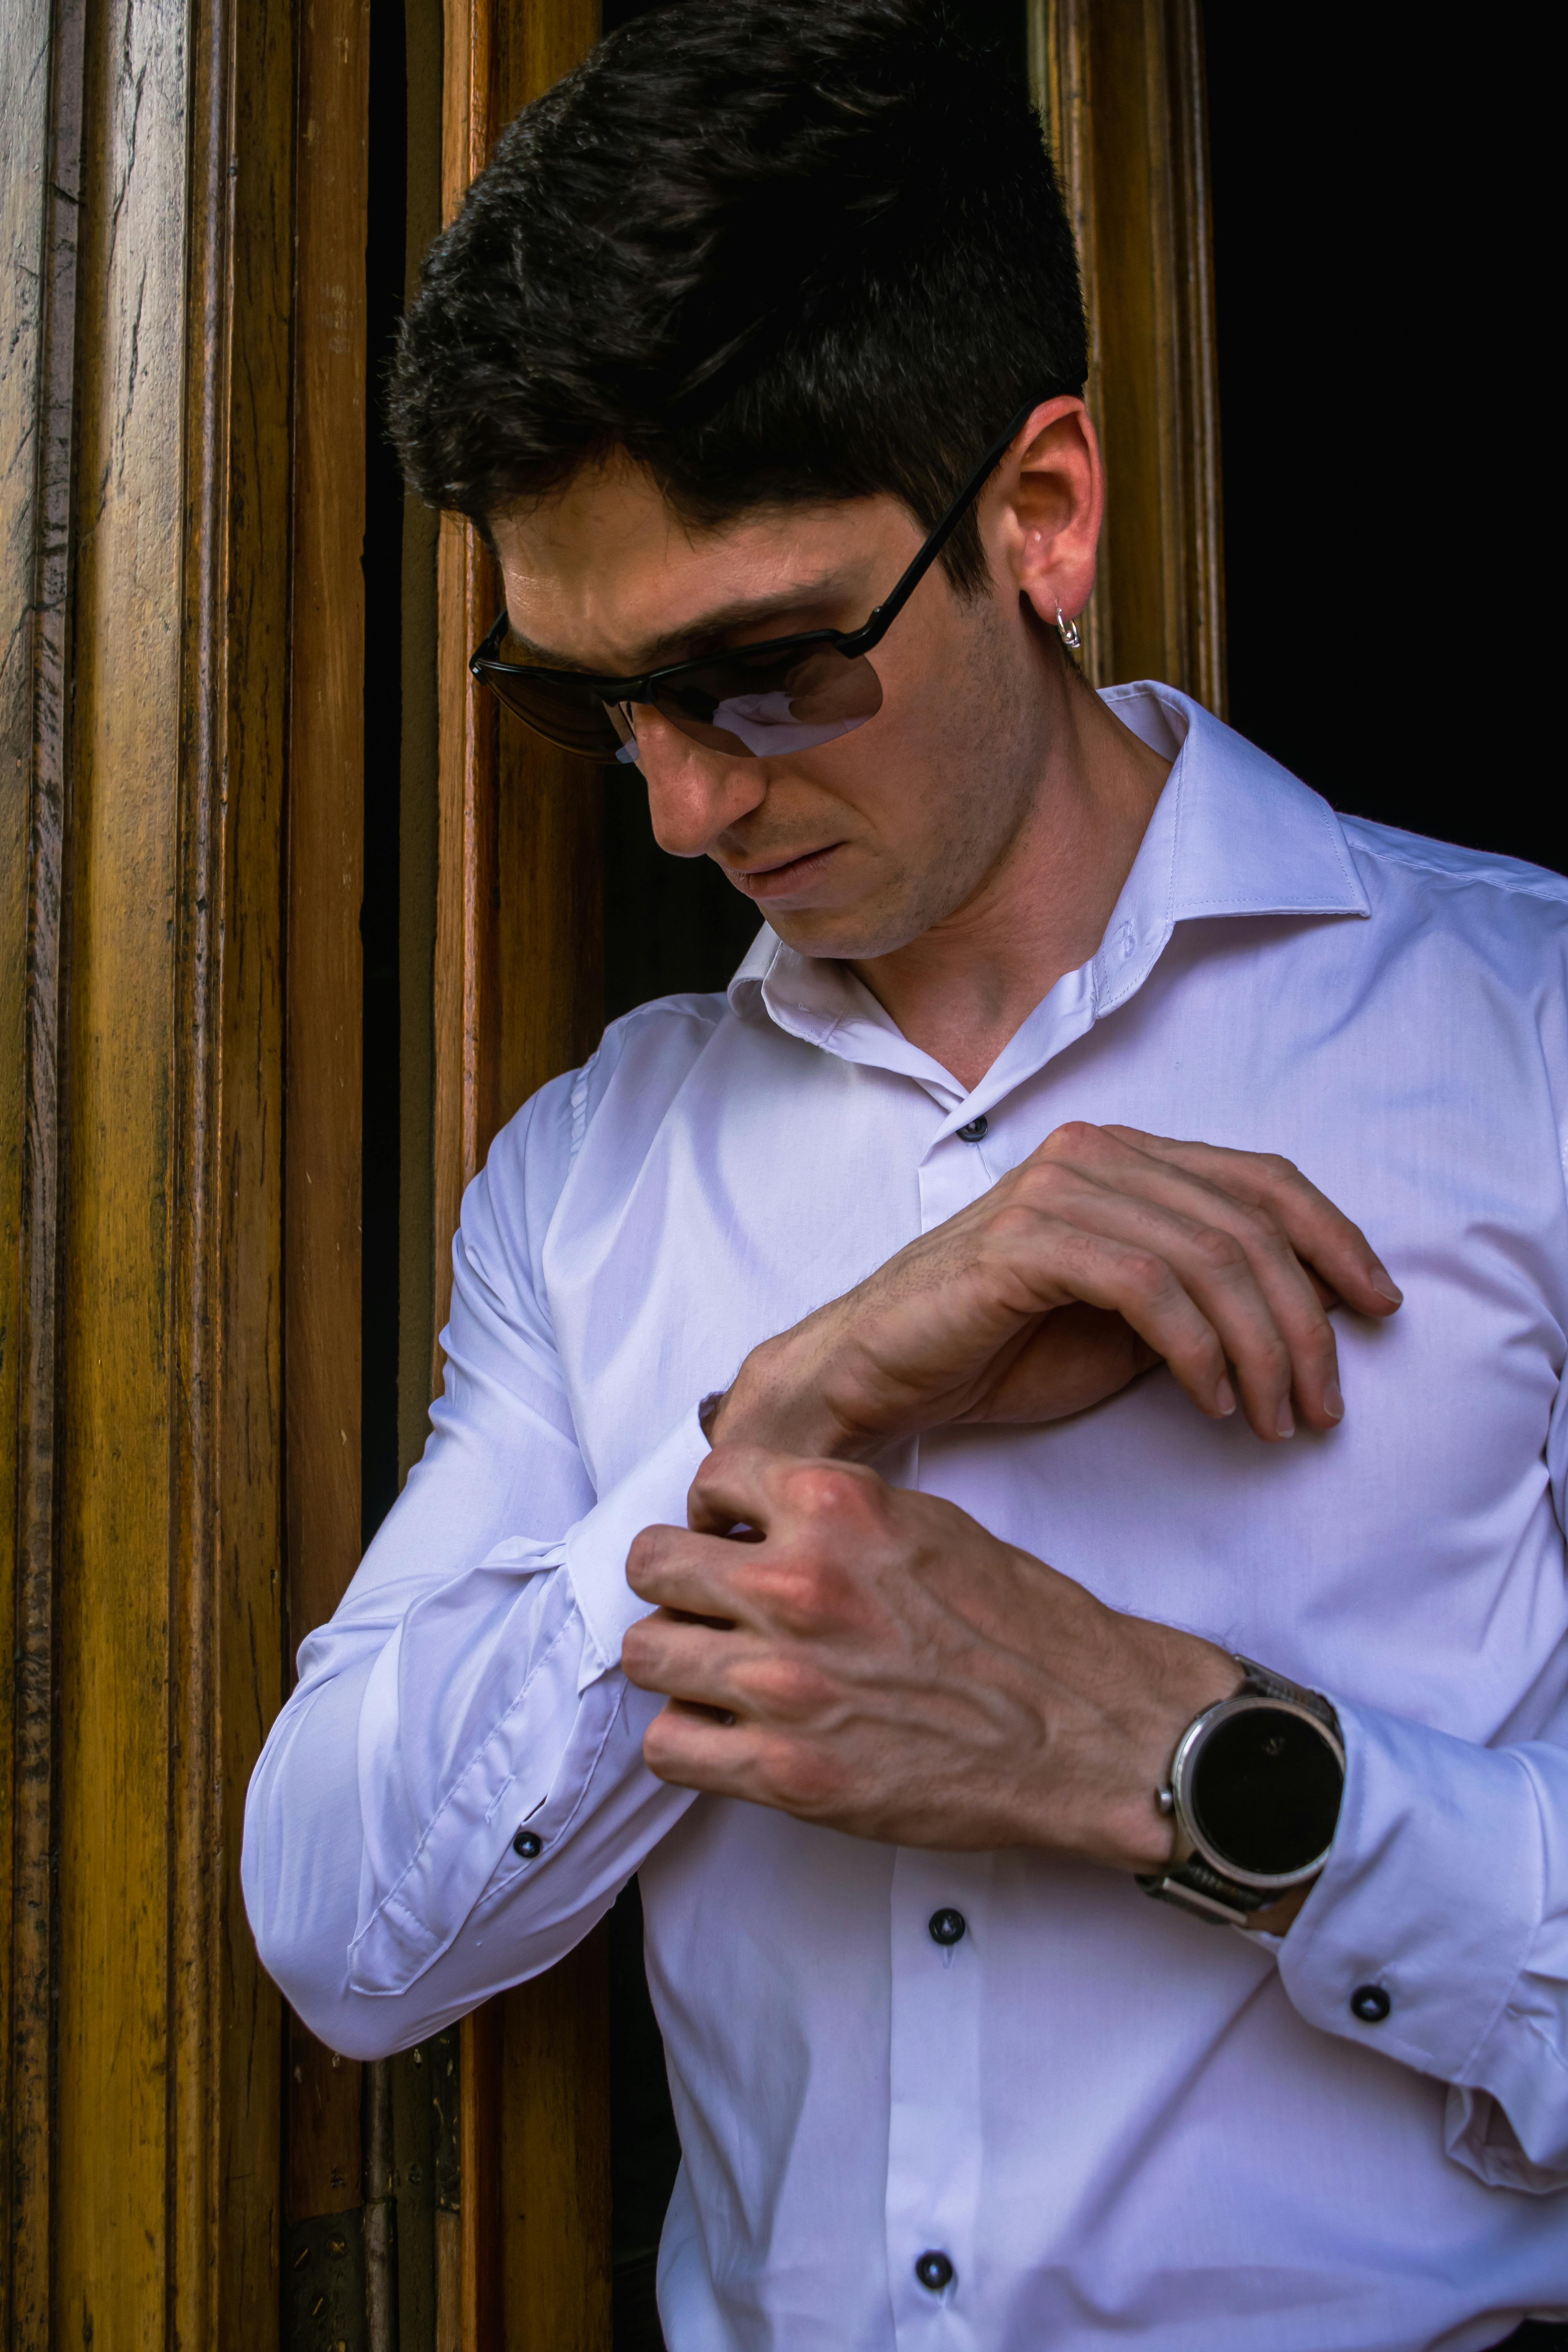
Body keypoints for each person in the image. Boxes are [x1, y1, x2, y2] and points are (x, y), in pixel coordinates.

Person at [242, 3, 1568, 2344]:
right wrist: (796, 1409)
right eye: (585, 707)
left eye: (761, 671)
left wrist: (1172, 1760)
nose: (678, 808)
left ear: (1039, 516)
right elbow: (346, 1935)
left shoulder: (1532, 1044)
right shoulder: (595, 1169)